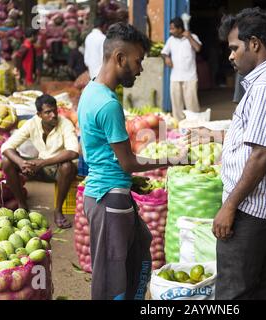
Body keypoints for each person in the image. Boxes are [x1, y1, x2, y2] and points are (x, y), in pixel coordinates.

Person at [78, 22, 187, 300]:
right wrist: (171, 159)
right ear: (119, 58)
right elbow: (126, 162)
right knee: (113, 279)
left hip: (105, 192)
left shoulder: (91, 91)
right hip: (109, 198)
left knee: (137, 251)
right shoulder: (108, 104)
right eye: (138, 61)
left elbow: (92, 151)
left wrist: (128, 178)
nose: (140, 69)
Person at [214, 7, 266, 300]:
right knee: (260, 283)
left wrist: (229, 206)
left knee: (233, 290)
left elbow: (262, 155)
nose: (230, 55)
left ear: (254, 44)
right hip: (265, 206)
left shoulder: (265, 87)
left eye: (234, 48)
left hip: (251, 209)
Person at [1, 94, 79, 229]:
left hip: (57, 169)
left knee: (67, 166)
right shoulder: (32, 123)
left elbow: (73, 152)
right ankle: (22, 205)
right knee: (7, 161)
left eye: (54, 110)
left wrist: (42, 163)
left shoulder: (65, 124)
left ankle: (58, 211)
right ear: (39, 114)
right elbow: (6, 146)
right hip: (38, 167)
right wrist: (20, 162)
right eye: (47, 112)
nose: (53, 115)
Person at [161, 17, 202, 121]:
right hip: (175, 77)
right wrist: (166, 58)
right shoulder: (171, 40)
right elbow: (164, 52)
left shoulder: (193, 37)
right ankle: (178, 125)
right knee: (176, 106)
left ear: (180, 29)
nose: (171, 31)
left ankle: (194, 125)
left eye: (173, 28)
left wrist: (189, 37)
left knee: (192, 104)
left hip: (190, 77)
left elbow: (198, 48)